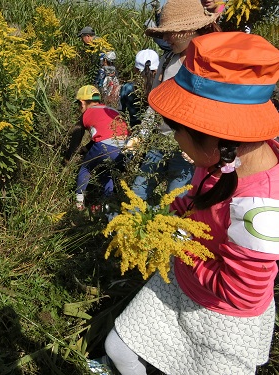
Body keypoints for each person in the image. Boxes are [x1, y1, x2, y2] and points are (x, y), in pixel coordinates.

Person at [104, 31, 279, 375]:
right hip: (184, 280)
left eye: (178, 132)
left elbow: (239, 292)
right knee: (119, 348)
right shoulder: (224, 159)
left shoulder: (261, 210)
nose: (179, 147)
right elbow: (199, 199)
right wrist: (179, 211)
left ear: (215, 137)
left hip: (222, 316)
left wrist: (177, 241)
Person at [130, 0, 221, 202]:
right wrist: (141, 135)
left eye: (171, 32)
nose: (167, 38)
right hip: (159, 141)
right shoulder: (166, 61)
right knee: (137, 194)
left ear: (188, 30)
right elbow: (155, 103)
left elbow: (215, 111)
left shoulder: (211, 64)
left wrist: (203, 146)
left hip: (189, 149)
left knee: (176, 202)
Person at [63, 85, 129, 210]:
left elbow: (75, 141)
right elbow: (103, 134)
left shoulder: (86, 114)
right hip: (125, 148)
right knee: (106, 172)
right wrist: (86, 149)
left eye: (78, 104)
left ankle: (79, 204)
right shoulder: (111, 110)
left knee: (85, 167)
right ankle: (107, 204)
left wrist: (67, 159)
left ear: (82, 103)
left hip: (105, 146)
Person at [119, 49, 159, 127]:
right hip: (157, 133)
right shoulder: (161, 88)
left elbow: (123, 111)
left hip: (134, 132)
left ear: (135, 69)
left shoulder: (127, 88)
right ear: (156, 70)